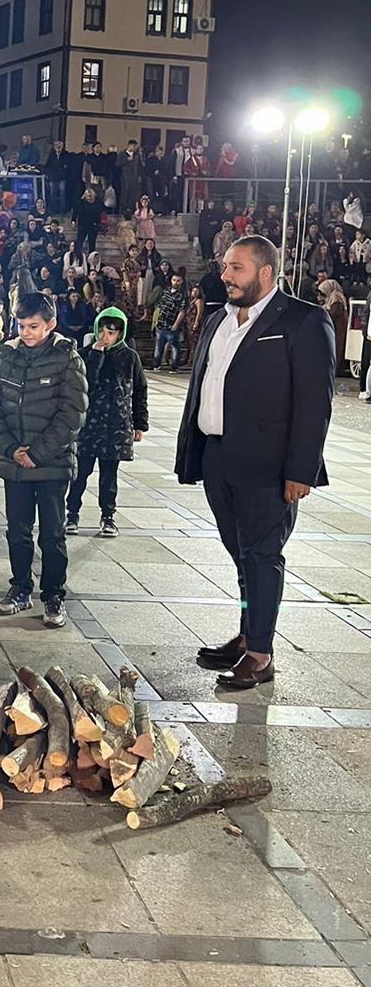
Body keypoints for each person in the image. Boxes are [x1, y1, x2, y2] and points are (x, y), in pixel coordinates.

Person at [175, 235, 335, 689]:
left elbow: (314, 403)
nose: (225, 275)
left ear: (265, 272)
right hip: (218, 457)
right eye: (225, 266)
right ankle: (249, 633)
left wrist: (301, 471)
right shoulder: (218, 320)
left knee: (262, 557)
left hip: (269, 468)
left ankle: (261, 656)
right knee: (241, 556)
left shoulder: (303, 321)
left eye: (236, 268)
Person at [0, 292, 88, 628]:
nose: (26, 332)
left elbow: (73, 414)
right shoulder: (7, 355)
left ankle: (53, 594)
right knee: (18, 530)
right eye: (21, 325)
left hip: (52, 464)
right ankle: (20, 587)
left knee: (52, 535)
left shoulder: (67, 359)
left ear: (50, 324)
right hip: (14, 463)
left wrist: (37, 453)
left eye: (33, 326)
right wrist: (11, 448)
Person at [66, 306, 148, 538]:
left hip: (116, 425)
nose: (105, 337)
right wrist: (96, 355)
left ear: (120, 333)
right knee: (79, 473)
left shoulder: (129, 357)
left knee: (109, 476)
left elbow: (139, 390)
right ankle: (71, 514)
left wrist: (140, 423)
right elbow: (85, 383)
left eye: (111, 332)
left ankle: (108, 517)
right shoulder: (84, 354)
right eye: (102, 331)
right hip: (89, 424)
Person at [152, 269, 188, 371]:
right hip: (161, 324)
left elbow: (182, 311)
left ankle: (174, 367)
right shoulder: (165, 291)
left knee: (175, 347)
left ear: (181, 282)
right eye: (174, 280)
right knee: (158, 347)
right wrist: (156, 321)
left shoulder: (182, 295)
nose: (175, 282)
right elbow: (160, 306)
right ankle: (156, 365)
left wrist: (176, 324)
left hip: (172, 325)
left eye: (178, 280)